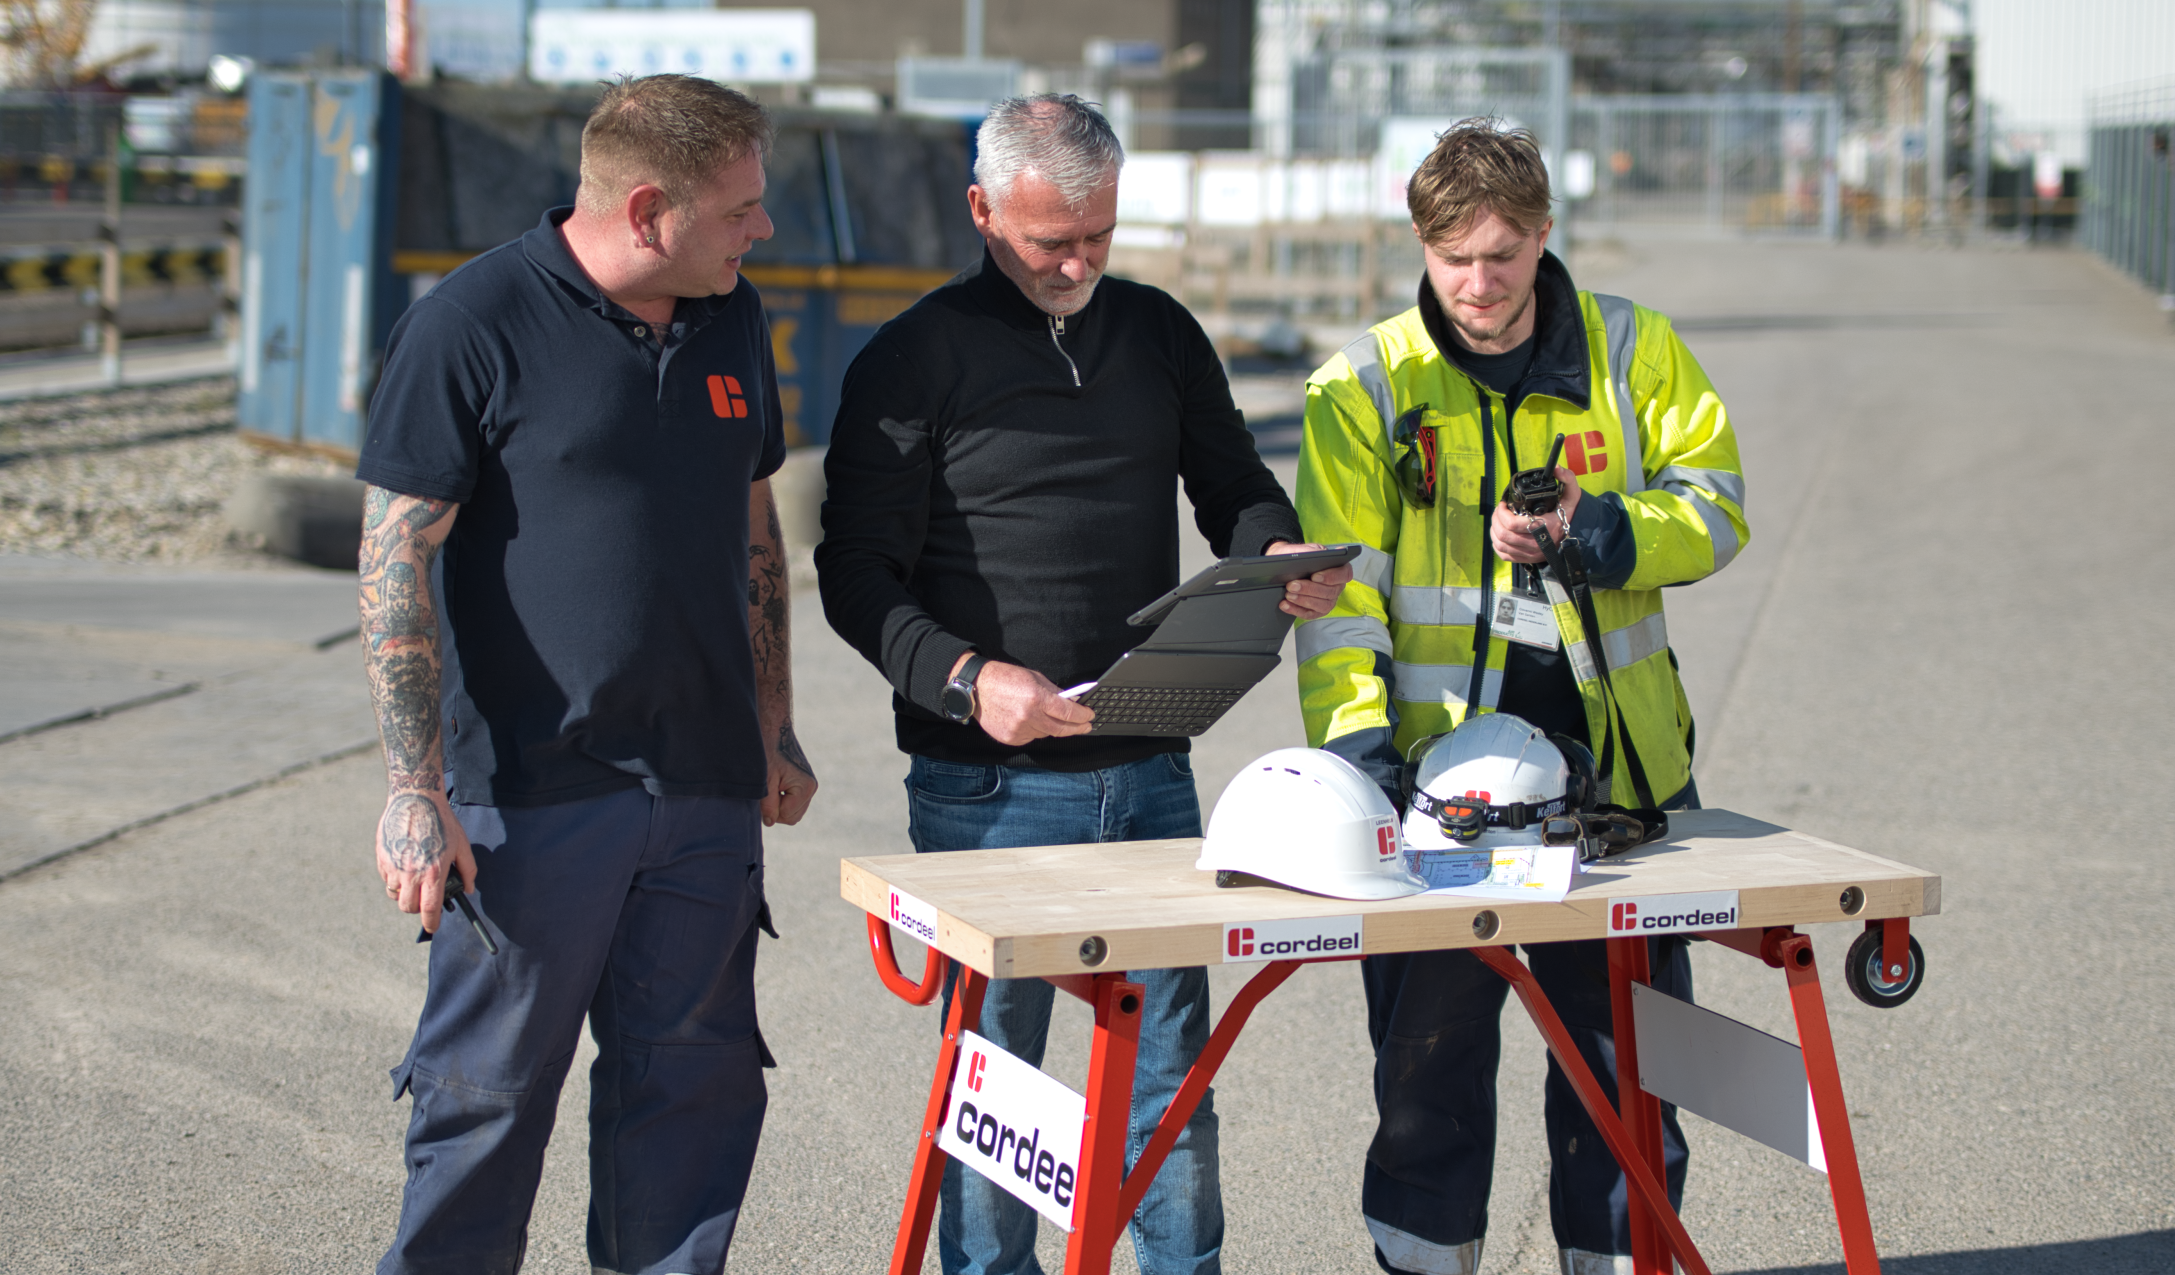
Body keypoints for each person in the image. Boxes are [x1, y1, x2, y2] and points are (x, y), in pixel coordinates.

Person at [816, 94, 1350, 1275]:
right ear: (981, 210)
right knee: (995, 1095)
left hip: (1152, 764)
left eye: (1100, 236)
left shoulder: (1156, 331)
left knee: (1172, 1081)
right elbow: (852, 573)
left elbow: (1234, 483)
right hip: (988, 789)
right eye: (1051, 239)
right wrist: (963, 679)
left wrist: (1273, 551)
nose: (1078, 264)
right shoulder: (912, 358)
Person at [354, 75, 816, 1275]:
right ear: (650, 208)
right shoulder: (474, 322)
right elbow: (395, 555)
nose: (761, 230)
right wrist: (415, 787)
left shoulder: (729, 314)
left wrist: (774, 723)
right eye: (741, 210)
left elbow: (754, 529)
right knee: (484, 1108)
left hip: (707, 791)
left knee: (693, 1103)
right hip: (532, 799)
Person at [1293, 120, 1749, 1275]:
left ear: (1545, 237)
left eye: (1503, 256)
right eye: (1455, 260)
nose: (1479, 286)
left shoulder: (1632, 349)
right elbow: (1339, 602)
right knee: (1425, 1080)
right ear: (1421, 246)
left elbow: (1718, 504)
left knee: (1629, 1071)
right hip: (1441, 797)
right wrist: (1359, 751)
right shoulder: (1363, 387)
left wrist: (1604, 531)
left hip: (1621, 789)